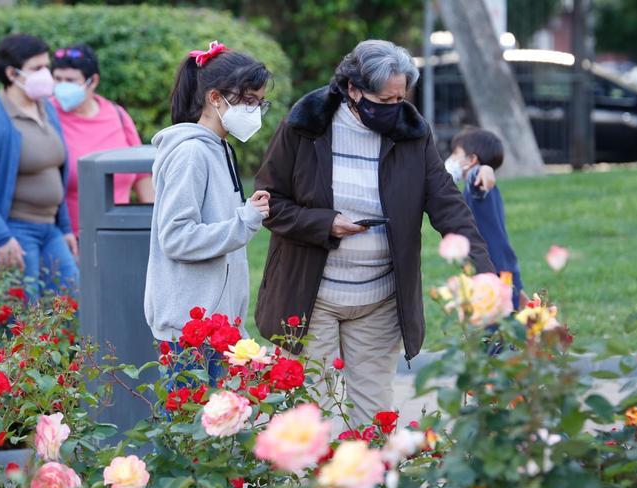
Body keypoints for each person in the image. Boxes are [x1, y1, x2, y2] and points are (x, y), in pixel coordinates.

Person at [254, 39, 495, 426]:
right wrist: (325, 223)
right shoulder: (306, 125)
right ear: (352, 89)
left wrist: (484, 270)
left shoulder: (413, 134)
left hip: (378, 299)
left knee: (374, 419)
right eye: (384, 102)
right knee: (306, 418)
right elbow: (269, 203)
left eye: (400, 100)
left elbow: (448, 205)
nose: (393, 110)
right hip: (310, 296)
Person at [143, 41, 272, 380]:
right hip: (190, 333)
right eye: (247, 101)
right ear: (215, 98)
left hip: (218, 327)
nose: (255, 111)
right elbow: (177, 238)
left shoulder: (220, 149)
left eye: (260, 103)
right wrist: (244, 221)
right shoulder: (191, 154)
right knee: (190, 430)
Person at [0, 34, 78, 297]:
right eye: (37, 68)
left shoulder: (47, 110)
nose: (46, 74)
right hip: (16, 230)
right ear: (12, 73)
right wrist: (1, 238)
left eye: (47, 66)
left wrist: (66, 228)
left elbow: (56, 174)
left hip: (50, 229)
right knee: (24, 316)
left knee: (73, 300)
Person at [51, 43, 154, 238]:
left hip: (119, 236)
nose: (62, 86)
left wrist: (155, 227)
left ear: (93, 81)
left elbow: (142, 176)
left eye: (71, 80)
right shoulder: (46, 115)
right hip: (68, 241)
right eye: (57, 79)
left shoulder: (117, 116)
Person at [445, 127, 527, 310]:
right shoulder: (485, 190)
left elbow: (478, 174)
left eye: (456, 153)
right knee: (506, 329)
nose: (451, 158)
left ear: (472, 159)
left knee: (491, 333)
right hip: (504, 267)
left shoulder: (478, 185)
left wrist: (484, 169)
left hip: (491, 272)